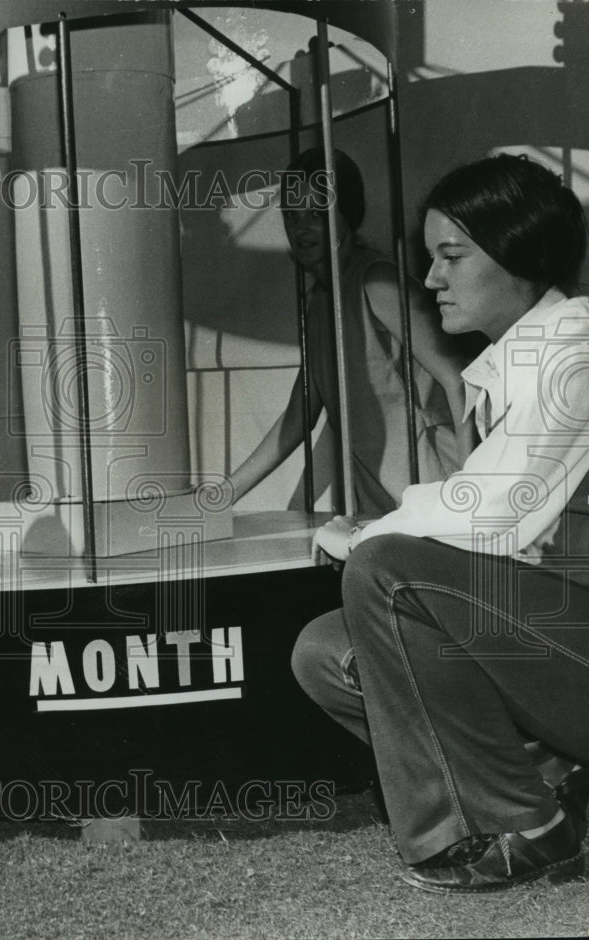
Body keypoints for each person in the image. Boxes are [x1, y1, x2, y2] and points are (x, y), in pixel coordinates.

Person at [292, 153, 589, 892]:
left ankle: (529, 827)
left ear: (518, 256)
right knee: (326, 650)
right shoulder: (515, 363)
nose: (430, 281)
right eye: (430, 259)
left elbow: (496, 514)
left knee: (385, 569)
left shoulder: (575, 355)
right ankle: (554, 787)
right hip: (561, 639)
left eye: (451, 256)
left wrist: (368, 534)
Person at [229, 147, 471, 514]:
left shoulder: (376, 281)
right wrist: (217, 497)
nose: (302, 227)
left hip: (440, 490)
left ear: (348, 214)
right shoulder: (319, 302)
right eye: (292, 215)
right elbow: (298, 417)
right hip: (381, 499)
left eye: (317, 212)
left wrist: (476, 491)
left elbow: (459, 379)